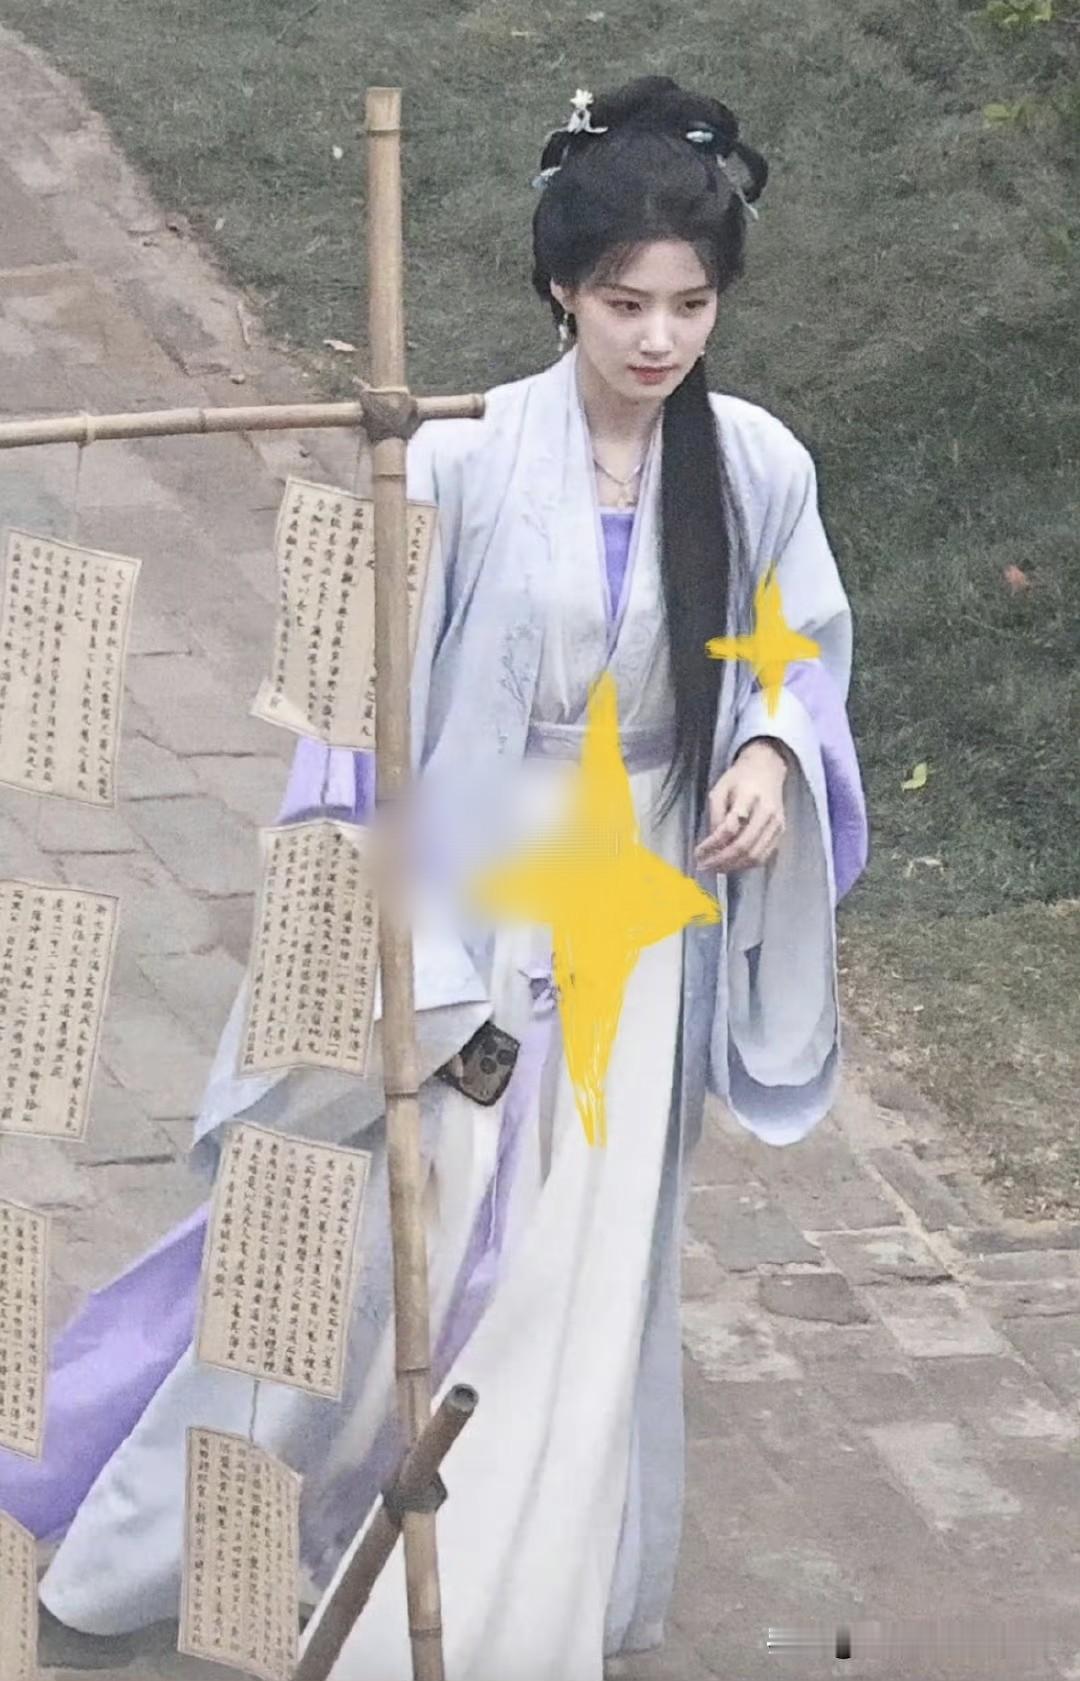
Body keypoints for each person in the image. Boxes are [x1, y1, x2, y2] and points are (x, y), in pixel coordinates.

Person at [0, 73, 868, 1681]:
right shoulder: (453, 462)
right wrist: (414, 961)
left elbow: (795, 650)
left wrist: (765, 752)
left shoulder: (754, 465)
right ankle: (173, 1549)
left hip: (639, 920)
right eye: (625, 302)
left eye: (690, 306)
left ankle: (498, 1621)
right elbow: (351, 729)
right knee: (360, 1246)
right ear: (562, 289)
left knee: (570, 1272)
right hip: (463, 898)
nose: (659, 338)